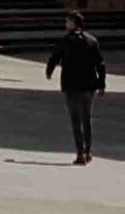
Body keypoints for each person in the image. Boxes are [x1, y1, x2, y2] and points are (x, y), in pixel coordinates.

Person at [43, 11, 108, 165]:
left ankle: (80, 153)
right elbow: (100, 63)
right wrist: (101, 83)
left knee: (76, 120)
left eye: (67, 22)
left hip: (71, 85)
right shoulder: (92, 41)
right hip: (89, 85)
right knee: (87, 119)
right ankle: (88, 151)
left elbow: (54, 58)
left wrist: (49, 71)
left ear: (73, 23)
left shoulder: (65, 41)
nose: (65, 24)